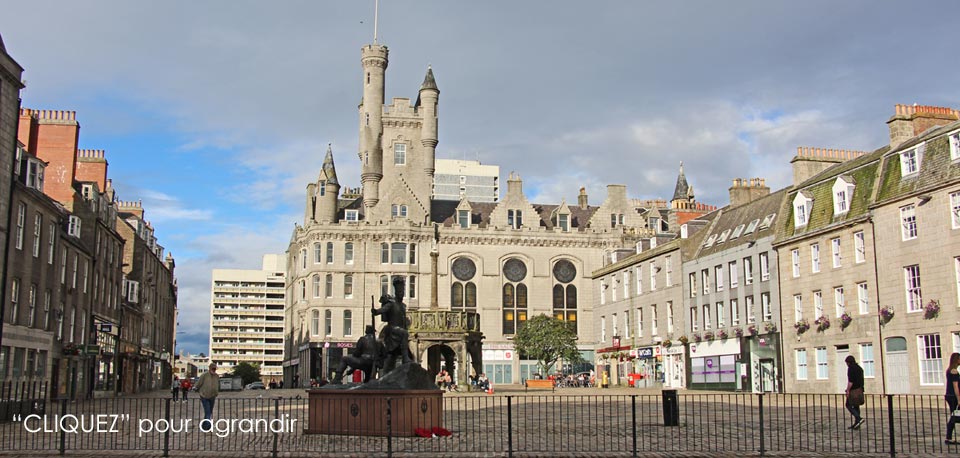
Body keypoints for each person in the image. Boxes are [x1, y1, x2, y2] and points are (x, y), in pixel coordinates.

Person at [194, 363, 220, 432]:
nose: (214, 370)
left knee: (209, 412)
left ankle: (204, 426)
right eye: (213, 368)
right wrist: (195, 387)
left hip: (212, 395)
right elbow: (199, 383)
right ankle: (208, 426)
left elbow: (217, 384)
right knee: (208, 411)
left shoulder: (216, 376)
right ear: (210, 368)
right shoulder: (204, 375)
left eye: (215, 369)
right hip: (204, 395)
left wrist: (216, 392)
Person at [844, 355, 865, 430]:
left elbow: (851, 381)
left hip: (854, 390)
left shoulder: (851, 369)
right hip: (860, 389)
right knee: (856, 406)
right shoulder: (859, 368)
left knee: (848, 405)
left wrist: (848, 390)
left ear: (848, 362)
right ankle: (857, 424)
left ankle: (858, 418)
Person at [945, 352, 960, 445]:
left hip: (949, 396)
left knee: (954, 416)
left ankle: (948, 437)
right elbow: (955, 386)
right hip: (953, 397)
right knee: (954, 417)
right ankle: (948, 437)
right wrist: (959, 399)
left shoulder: (949, 370)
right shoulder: (954, 371)